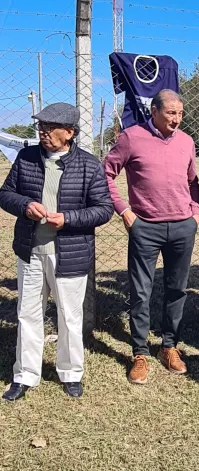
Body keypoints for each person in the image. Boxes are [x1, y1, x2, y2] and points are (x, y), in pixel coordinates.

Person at [0, 102, 114, 401]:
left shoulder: (89, 165)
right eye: (41, 126)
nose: (43, 132)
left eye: (50, 128)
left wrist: (68, 219)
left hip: (70, 254)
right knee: (27, 313)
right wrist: (24, 206)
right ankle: (24, 374)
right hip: (31, 250)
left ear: (70, 132)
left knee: (69, 315)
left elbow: (104, 209)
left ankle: (71, 373)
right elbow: (6, 194)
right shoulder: (26, 158)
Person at [104, 89, 199, 383]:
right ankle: (140, 352)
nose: (177, 119)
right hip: (145, 227)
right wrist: (123, 210)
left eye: (180, 113)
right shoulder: (131, 137)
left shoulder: (186, 141)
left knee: (177, 289)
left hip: (182, 226)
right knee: (141, 291)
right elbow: (106, 173)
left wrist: (195, 213)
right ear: (154, 112)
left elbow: (193, 180)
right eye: (171, 113)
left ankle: (169, 347)